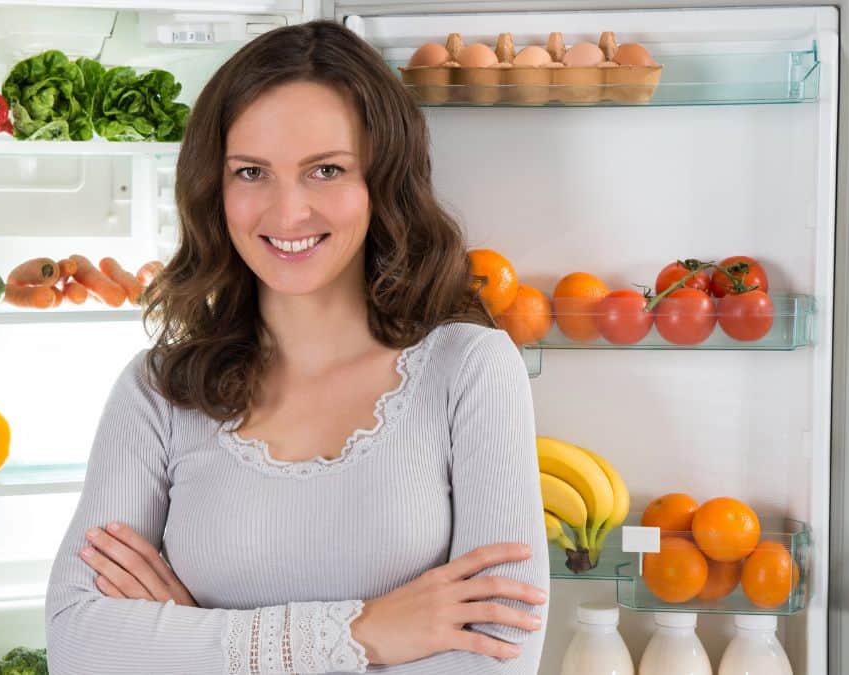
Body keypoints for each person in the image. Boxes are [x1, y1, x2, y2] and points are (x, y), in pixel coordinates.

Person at [45, 19, 549, 674]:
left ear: (383, 180)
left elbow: (498, 660)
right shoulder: (158, 390)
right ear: (213, 188)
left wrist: (193, 638)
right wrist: (366, 630)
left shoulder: (471, 371)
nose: (287, 214)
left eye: (326, 171)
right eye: (252, 172)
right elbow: (79, 645)